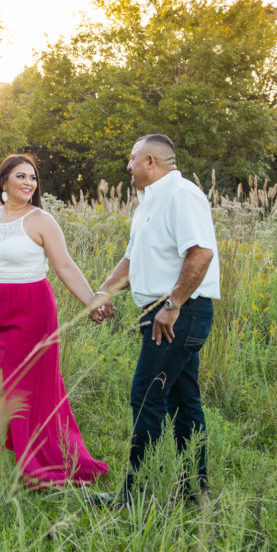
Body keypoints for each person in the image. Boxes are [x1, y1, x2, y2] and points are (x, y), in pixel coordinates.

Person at [91, 134, 220, 507]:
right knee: (183, 400)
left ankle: (133, 495)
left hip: (180, 314)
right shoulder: (149, 202)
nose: (127, 167)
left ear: (150, 162)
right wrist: (104, 292)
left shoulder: (181, 195)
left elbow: (201, 252)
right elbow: (133, 260)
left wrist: (173, 302)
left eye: (132, 159)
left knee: (146, 397)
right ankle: (196, 493)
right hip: (164, 313)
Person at [0, 153, 109, 487]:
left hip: (32, 311)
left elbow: (64, 266)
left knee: (11, 386)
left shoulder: (41, 220)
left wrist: (91, 300)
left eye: (32, 177)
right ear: (3, 181)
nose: (29, 183)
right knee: (6, 383)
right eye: (21, 176)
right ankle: (4, 454)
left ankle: (18, 462)